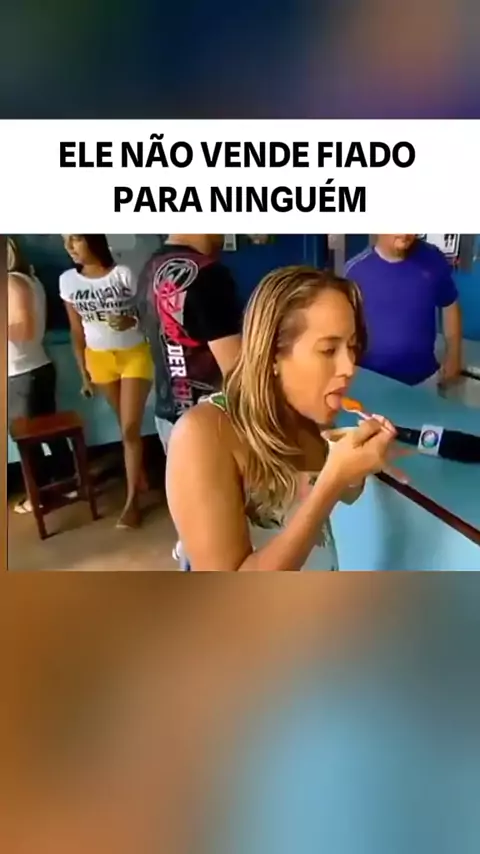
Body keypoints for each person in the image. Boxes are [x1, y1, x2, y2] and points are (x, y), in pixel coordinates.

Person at [166, 266, 401, 571]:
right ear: (272, 354)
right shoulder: (202, 434)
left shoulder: (309, 415)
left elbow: (342, 494)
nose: (349, 367)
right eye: (328, 350)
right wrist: (333, 480)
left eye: (352, 347)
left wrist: (356, 465)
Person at [60, 234, 154, 529]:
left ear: (92, 239)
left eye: (75, 239)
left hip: (134, 355)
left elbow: (150, 313)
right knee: (124, 425)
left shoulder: (122, 274)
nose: (69, 247)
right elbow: (76, 331)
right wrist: (83, 375)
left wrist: (132, 321)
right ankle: (139, 476)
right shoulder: (68, 281)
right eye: (65, 240)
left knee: (129, 429)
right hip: (98, 359)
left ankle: (132, 504)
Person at [136, 234, 243, 455]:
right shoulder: (209, 274)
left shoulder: (149, 267)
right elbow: (237, 371)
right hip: (210, 423)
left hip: (168, 417)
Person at [7, 237, 75, 513]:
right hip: (34, 367)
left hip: (21, 372)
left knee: (27, 440)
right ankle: (67, 483)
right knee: (48, 433)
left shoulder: (11, 283)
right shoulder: (28, 280)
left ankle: (38, 496)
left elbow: (23, 329)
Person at [345, 234, 463, 387]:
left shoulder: (433, 259)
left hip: (424, 380)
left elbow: (450, 304)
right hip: (371, 381)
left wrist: (454, 356)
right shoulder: (354, 271)